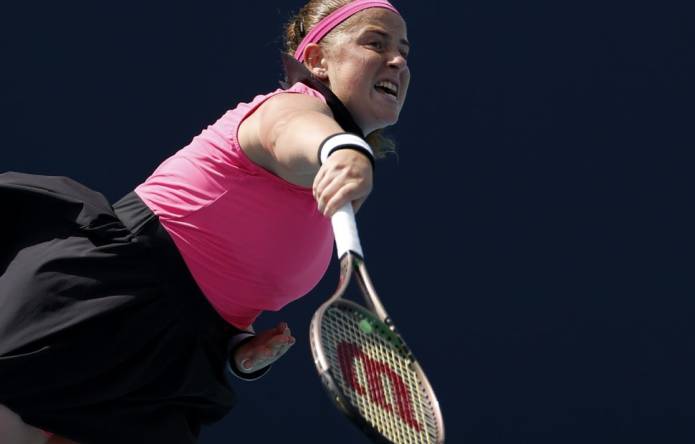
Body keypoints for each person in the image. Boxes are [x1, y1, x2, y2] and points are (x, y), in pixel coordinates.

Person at [0, 0, 410, 442]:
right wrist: (343, 150)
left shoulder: (333, 185)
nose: (398, 60)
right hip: (103, 296)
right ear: (316, 60)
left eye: (405, 51)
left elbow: (224, 267)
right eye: (375, 42)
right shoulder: (294, 111)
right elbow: (291, 132)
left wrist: (237, 346)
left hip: (177, 360)